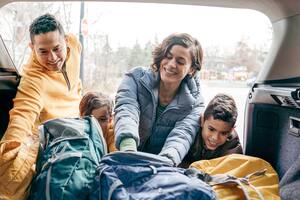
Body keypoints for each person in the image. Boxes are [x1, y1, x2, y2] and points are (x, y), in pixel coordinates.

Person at [0, 13, 82, 199]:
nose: (52, 57)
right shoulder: (33, 79)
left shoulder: (75, 45)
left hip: (80, 125)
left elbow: (75, 80)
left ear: (66, 41)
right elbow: (22, 114)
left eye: (56, 48)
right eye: (43, 51)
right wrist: (8, 149)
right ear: (32, 47)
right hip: (54, 140)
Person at [114, 33, 205, 166]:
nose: (171, 64)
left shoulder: (196, 103)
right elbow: (127, 110)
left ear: (191, 70)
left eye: (180, 61)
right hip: (126, 153)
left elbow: (183, 135)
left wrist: (164, 164)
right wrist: (128, 151)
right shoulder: (135, 78)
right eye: (168, 56)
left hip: (163, 165)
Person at [180, 93, 243, 168]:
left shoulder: (233, 146)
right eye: (211, 129)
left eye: (223, 133)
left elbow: (229, 172)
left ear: (231, 130)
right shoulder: (189, 133)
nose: (215, 138)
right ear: (202, 120)